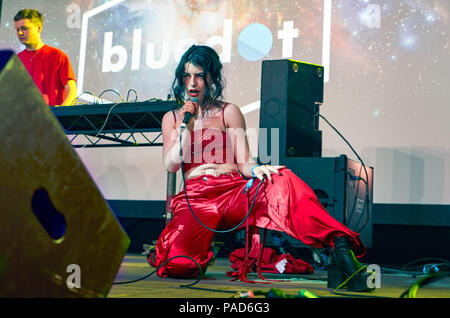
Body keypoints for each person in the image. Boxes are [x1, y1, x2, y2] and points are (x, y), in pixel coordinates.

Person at [148, 45, 372, 291]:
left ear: (212, 77)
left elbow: (245, 163)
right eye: (187, 76)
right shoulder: (173, 118)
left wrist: (257, 170)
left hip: (232, 192)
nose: (192, 83)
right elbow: (170, 165)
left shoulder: (228, 111)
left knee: (282, 177)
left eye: (200, 75)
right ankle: (198, 252)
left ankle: (339, 247)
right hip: (196, 198)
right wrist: (186, 130)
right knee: (179, 267)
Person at [14, 9, 77, 106]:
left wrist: (62, 112)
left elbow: (71, 90)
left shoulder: (57, 56)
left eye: (24, 28)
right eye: (17, 29)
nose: (20, 33)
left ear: (39, 28)